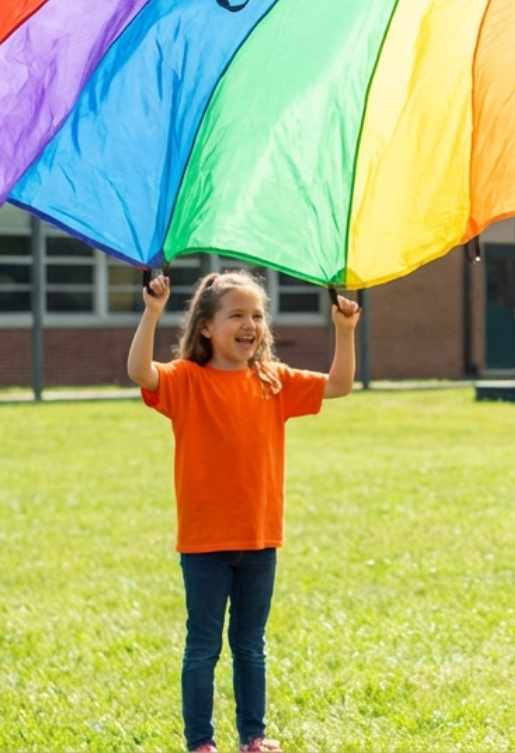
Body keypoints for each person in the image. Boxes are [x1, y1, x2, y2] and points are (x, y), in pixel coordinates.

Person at [128, 268, 361, 753]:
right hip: (205, 543)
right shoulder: (186, 380)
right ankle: (200, 742)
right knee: (203, 647)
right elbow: (140, 372)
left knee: (250, 646)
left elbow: (339, 385)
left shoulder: (274, 380)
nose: (250, 324)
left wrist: (344, 331)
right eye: (236, 315)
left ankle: (253, 737)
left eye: (257, 315)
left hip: (260, 540)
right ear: (206, 327)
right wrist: (152, 311)